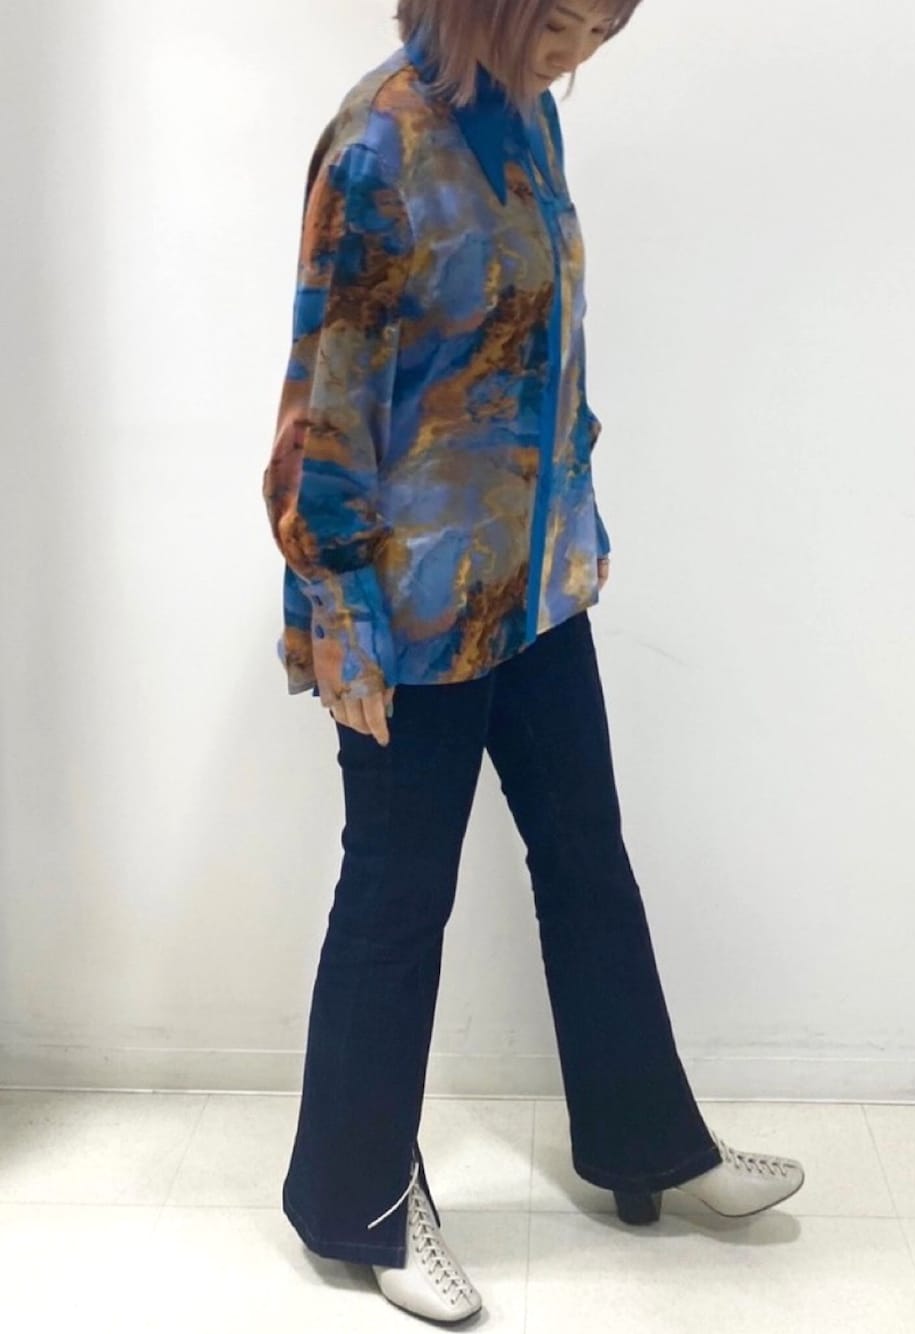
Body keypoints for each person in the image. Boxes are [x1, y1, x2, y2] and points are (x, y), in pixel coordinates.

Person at [262, 0, 805, 1323]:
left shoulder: (531, 123)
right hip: (410, 613)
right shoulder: (378, 148)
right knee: (396, 900)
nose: (580, 54)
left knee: (587, 858)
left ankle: (646, 1144)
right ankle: (356, 1202)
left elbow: (546, 350)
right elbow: (324, 409)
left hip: (537, 587)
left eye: (604, 29)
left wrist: (577, 515)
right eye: (562, 21)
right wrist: (341, 618)